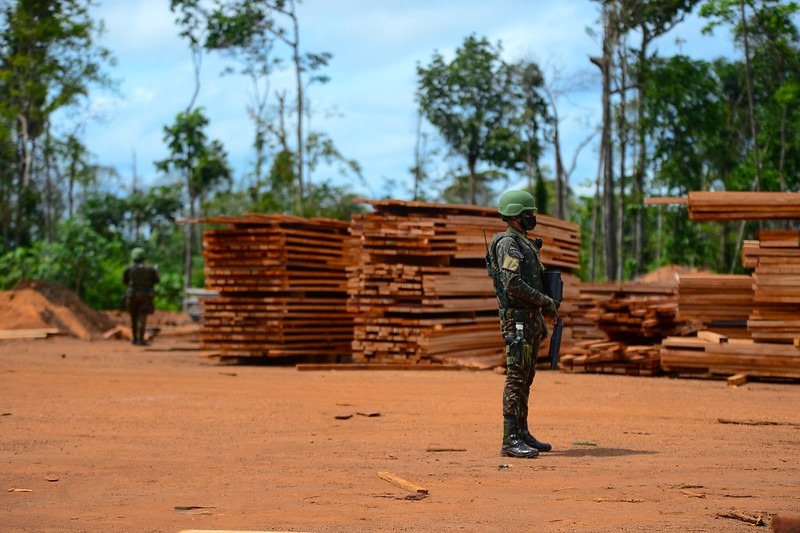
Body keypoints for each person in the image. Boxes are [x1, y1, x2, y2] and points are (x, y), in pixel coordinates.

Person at [487, 189, 559, 458]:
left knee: (526, 377)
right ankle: (509, 439)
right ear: (516, 216)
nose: (533, 217)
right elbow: (512, 283)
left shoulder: (523, 241)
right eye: (529, 213)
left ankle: (522, 431)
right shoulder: (508, 243)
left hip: (529, 319)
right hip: (516, 319)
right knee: (516, 378)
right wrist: (544, 300)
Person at [123, 247, 160, 346]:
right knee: (142, 316)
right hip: (146, 295)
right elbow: (157, 280)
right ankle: (140, 339)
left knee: (133, 317)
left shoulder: (129, 268)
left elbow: (125, 281)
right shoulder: (151, 268)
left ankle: (134, 339)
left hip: (132, 295)